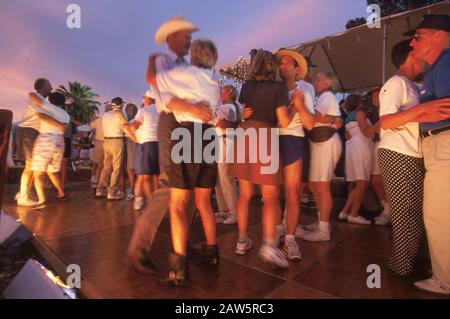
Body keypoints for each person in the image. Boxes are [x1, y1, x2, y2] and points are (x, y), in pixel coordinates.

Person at [127, 16, 211, 276]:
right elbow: (161, 90)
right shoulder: (164, 60)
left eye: (190, 36)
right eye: (185, 35)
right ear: (171, 37)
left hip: (189, 124)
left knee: (186, 186)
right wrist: (193, 107)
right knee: (170, 187)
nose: (189, 39)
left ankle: (181, 243)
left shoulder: (184, 64)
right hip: (173, 123)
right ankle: (139, 248)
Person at [147, 38, 220, 286]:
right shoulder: (213, 82)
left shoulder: (183, 74)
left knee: (178, 206)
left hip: (186, 134)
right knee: (204, 202)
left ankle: (177, 271)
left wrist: (152, 61)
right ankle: (212, 255)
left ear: (193, 56)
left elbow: (155, 83)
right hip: (209, 138)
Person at [232, 50, 297, 268]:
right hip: (265, 135)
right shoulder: (278, 88)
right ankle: (269, 245)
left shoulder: (247, 86)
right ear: (273, 66)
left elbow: (244, 112)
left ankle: (242, 240)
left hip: (244, 136)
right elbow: (284, 122)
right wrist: (295, 106)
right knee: (270, 196)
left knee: (244, 194)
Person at [406, 14, 450, 295]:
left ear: (439, 36)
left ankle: (445, 279)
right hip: (439, 144)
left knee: (437, 215)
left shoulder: (446, 63)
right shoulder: (436, 68)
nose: (413, 42)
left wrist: (411, 113)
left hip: (444, 144)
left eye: (418, 35)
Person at [275, 49, 315, 261]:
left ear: (297, 69)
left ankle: (290, 238)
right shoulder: (273, 88)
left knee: (292, 192)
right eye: (280, 63)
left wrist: (298, 105)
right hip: (271, 140)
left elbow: (309, 123)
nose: (282, 66)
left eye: (287, 63)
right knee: (271, 194)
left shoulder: (305, 88)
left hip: (293, 139)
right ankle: (276, 230)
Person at [302, 70, 343, 242]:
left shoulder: (326, 96)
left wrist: (299, 104)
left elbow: (313, 118)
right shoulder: (323, 97)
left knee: (322, 185)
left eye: (319, 79)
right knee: (314, 185)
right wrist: (332, 120)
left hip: (325, 142)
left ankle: (324, 229)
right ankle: (321, 221)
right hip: (320, 142)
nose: (315, 81)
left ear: (328, 83)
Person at [16, 78, 68, 207]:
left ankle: (24, 192)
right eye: (49, 85)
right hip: (29, 131)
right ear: (43, 86)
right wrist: (60, 124)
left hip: (34, 132)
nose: (51, 88)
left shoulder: (43, 101)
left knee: (33, 167)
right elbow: (40, 112)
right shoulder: (36, 97)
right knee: (30, 167)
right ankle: (23, 196)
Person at [339, 94, 379, 224]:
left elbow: (350, 134)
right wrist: (382, 121)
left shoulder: (348, 118)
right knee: (362, 183)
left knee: (358, 183)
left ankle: (345, 211)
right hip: (361, 147)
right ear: (358, 103)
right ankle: (354, 214)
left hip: (351, 148)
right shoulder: (360, 114)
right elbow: (367, 132)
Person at [29, 91, 70, 206]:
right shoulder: (65, 114)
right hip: (59, 142)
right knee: (52, 171)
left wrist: (57, 124)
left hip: (46, 139)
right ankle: (61, 193)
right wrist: (60, 125)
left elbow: (32, 96)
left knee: (38, 173)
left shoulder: (48, 107)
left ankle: (41, 200)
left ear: (50, 100)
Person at [126, 90, 160, 210]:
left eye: (144, 98)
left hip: (148, 144)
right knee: (156, 176)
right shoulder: (161, 110)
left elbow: (134, 126)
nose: (143, 100)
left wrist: (125, 126)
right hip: (160, 144)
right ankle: (156, 199)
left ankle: (152, 203)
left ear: (149, 99)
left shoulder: (144, 110)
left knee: (145, 176)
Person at [96, 97, 132, 200]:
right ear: (121, 105)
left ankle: (100, 189)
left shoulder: (106, 115)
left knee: (106, 167)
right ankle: (112, 192)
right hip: (117, 141)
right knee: (116, 168)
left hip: (106, 141)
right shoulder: (122, 114)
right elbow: (125, 128)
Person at [213, 85, 240, 225]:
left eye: (223, 91)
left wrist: (220, 122)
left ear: (229, 93)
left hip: (226, 140)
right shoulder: (225, 108)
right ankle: (223, 209)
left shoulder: (231, 108)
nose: (220, 93)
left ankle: (234, 211)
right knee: (219, 177)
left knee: (226, 176)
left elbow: (225, 122)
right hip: (220, 140)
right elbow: (219, 122)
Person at [123, 103, 138, 200]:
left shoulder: (135, 121)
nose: (128, 111)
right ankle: (124, 189)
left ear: (135, 111)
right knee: (125, 168)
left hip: (131, 143)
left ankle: (132, 191)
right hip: (125, 143)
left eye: (130, 109)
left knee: (130, 168)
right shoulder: (126, 120)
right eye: (127, 109)